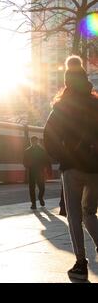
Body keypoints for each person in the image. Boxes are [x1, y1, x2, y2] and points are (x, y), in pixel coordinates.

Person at [44, 55, 98, 281]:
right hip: (95, 168)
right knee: (89, 212)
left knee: (74, 216)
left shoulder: (61, 105)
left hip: (71, 168)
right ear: (86, 79)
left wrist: (63, 156)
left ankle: (80, 263)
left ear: (67, 81)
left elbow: (48, 136)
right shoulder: (96, 103)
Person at [23, 136, 51, 210]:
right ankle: (33, 204)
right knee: (31, 188)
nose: (34, 143)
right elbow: (24, 162)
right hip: (31, 171)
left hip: (40, 171)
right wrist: (28, 165)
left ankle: (40, 197)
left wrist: (47, 169)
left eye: (35, 141)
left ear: (37, 142)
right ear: (30, 142)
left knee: (42, 187)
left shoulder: (42, 151)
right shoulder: (27, 151)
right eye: (32, 141)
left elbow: (47, 161)